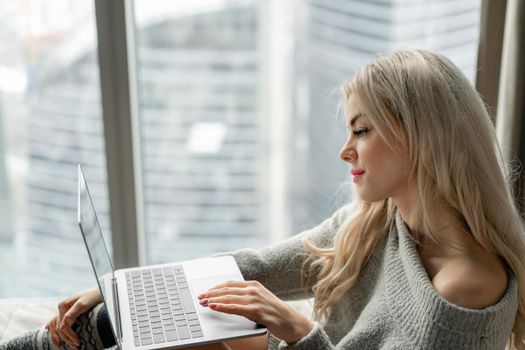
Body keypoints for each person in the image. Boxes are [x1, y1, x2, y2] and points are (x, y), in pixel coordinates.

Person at [1, 48, 524, 350]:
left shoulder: (463, 287)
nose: (346, 151)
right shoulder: (378, 221)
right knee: (156, 324)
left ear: (421, 135)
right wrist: (121, 290)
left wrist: (298, 329)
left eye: (361, 131)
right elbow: (254, 266)